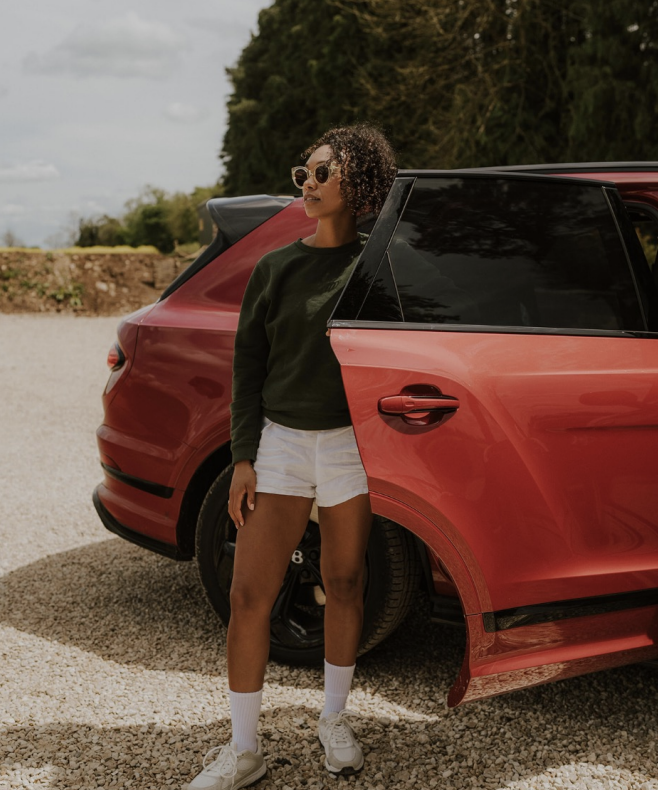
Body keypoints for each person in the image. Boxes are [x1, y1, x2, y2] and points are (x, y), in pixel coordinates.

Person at [188, 124, 397, 790]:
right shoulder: (276, 267)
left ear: (356, 184)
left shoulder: (377, 268)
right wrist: (244, 457)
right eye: (301, 174)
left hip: (350, 450)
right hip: (278, 444)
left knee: (345, 584)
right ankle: (243, 748)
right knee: (251, 593)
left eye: (321, 173)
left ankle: (333, 720)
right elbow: (248, 367)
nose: (307, 184)